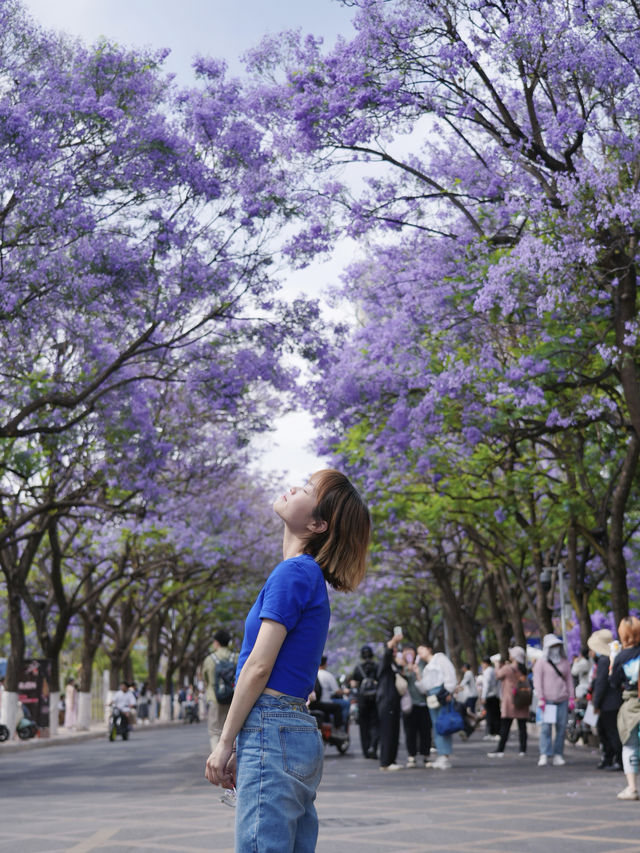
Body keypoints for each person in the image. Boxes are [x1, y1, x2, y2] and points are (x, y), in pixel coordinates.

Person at [204, 469, 370, 853]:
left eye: (308, 488)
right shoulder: (307, 575)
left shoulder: (293, 572)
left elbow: (258, 667)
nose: (295, 485)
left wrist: (225, 743)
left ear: (317, 523)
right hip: (289, 728)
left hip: (271, 726)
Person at [609, 617, 640, 800]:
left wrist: (613, 663)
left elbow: (613, 683)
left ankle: (632, 787)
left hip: (631, 706)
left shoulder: (621, 657)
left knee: (630, 747)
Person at [533, 634, 574, 766]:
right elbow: (537, 681)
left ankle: (558, 754)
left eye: (557, 646)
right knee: (546, 728)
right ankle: (544, 753)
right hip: (547, 700)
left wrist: (571, 697)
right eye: (552, 646)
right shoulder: (541, 663)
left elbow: (569, 680)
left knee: (561, 728)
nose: (555, 649)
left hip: (562, 699)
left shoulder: (564, 662)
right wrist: (541, 697)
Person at [415, 644, 457, 769]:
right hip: (431, 696)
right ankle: (441, 753)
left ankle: (445, 755)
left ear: (429, 649)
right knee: (436, 725)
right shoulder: (425, 667)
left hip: (441, 694)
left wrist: (449, 690)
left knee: (443, 724)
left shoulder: (439, 658)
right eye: (418, 651)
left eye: (422, 649)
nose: (420, 653)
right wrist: (418, 674)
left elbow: (450, 674)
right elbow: (423, 687)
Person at [587, 628, 622, 770]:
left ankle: (618, 760)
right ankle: (609, 758)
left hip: (608, 704)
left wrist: (596, 703)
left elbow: (601, 684)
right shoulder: (612, 659)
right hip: (613, 703)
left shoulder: (603, 661)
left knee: (610, 733)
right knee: (608, 732)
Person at [487, 647, 531, 757]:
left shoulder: (507, 668)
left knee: (505, 727)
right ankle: (522, 750)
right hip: (521, 700)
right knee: (522, 727)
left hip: (510, 701)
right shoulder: (523, 669)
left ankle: (500, 749)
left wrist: (497, 666)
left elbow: (497, 675)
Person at [202, 629, 236, 751]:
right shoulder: (235, 657)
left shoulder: (210, 660)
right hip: (234, 701)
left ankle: (217, 762)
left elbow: (206, 679)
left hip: (215, 700)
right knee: (233, 731)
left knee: (215, 732)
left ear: (216, 643)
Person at [400, 643, 431, 767]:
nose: (408, 653)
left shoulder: (422, 664)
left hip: (423, 704)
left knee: (425, 731)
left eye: (410, 651)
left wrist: (417, 672)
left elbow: (426, 682)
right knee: (410, 732)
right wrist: (406, 668)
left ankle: (426, 756)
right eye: (405, 651)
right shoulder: (401, 666)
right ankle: (411, 756)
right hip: (408, 706)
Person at [376, 631, 403, 771]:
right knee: (387, 731)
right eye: (394, 649)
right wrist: (394, 640)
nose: (395, 651)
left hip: (393, 701)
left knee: (394, 731)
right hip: (386, 701)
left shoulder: (394, 665)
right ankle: (385, 762)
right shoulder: (385, 662)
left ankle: (391, 760)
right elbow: (387, 652)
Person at [350, 644, 379, 759]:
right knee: (375, 723)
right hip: (375, 698)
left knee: (364, 725)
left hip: (362, 699)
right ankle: (374, 747)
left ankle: (366, 750)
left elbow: (353, 684)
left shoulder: (358, 668)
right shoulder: (377, 666)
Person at [316, 655, 350, 731]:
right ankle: (340, 727)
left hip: (314, 703)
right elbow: (337, 691)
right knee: (345, 704)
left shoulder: (314, 674)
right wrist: (345, 691)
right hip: (325, 702)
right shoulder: (327, 675)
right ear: (325, 664)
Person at [480, 657, 500, 739]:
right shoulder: (492, 670)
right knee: (495, 714)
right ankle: (495, 732)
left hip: (489, 696)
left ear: (486, 663)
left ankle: (491, 732)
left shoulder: (487, 672)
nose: (482, 665)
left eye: (482, 663)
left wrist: (483, 696)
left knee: (490, 715)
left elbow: (486, 685)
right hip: (494, 695)